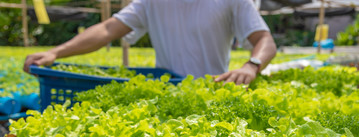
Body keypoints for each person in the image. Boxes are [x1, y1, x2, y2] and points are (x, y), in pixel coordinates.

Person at [24, 0, 277, 85]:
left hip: (213, 88)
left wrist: (251, 66)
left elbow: (264, 39)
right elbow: (107, 29)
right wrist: (55, 52)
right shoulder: (151, 1)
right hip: (167, 88)